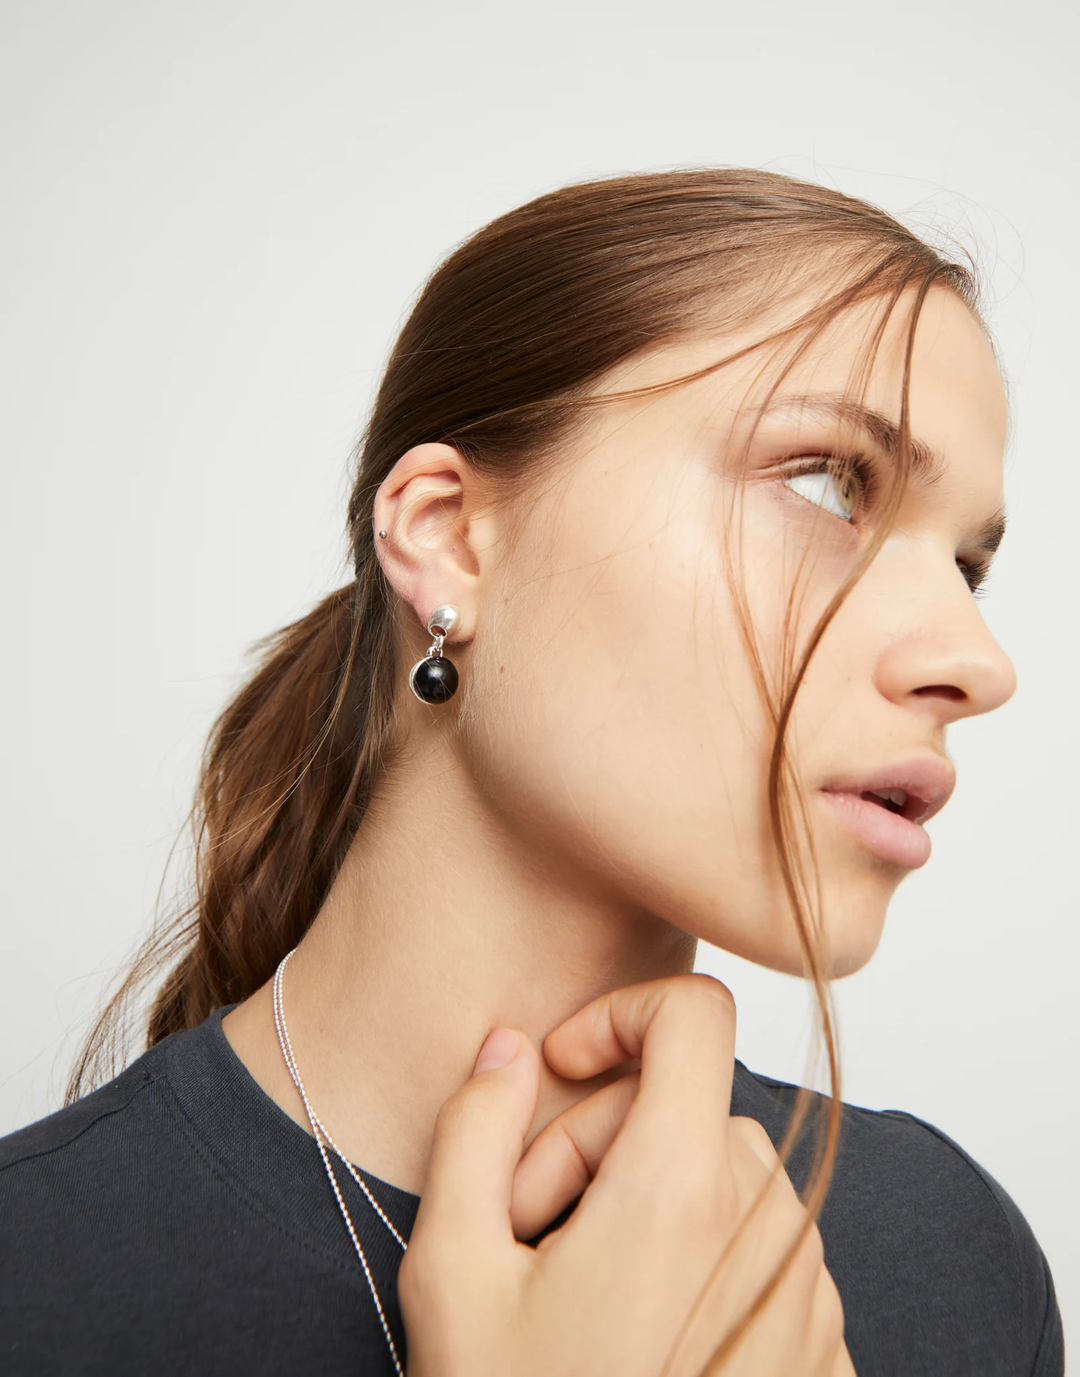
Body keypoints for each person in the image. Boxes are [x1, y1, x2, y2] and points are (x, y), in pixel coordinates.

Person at [0, 170, 1064, 1376]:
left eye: (968, 568)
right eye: (830, 483)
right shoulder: (36, 1280)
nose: (975, 662)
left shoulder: (951, 1261)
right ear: (449, 534)